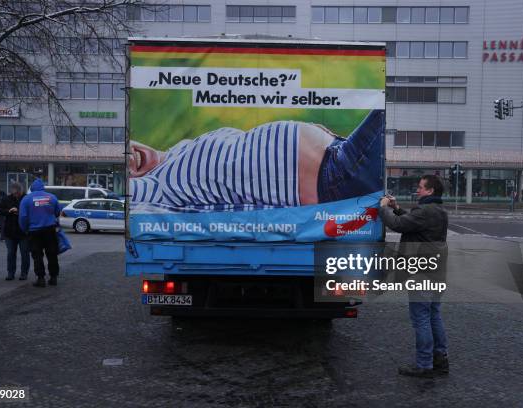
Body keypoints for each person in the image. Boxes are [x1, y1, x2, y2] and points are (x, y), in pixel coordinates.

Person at [129, 110, 384, 212]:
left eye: (125, 150)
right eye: (123, 168)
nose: (129, 158)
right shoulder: (158, 186)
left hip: (336, 152)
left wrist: (317, 133)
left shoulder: (177, 151)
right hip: (335, 177)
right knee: (386, 109)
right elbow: (130, 198)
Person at [379, 175, 449, 378]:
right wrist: (397, 207)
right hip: (437, 272)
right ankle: (440, 359)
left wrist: (384, 208)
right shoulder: (439, 210)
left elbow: (398, 225)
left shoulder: (424, 211)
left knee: (421, 318)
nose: (417, 190)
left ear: (430, 191)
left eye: (420, 187)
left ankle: (424, 365)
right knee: (434, 315)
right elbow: (411, 223)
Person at [18, 179, 60, 287]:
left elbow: (23, 217)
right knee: (52, 254)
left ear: (32, 188)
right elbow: (57, 212)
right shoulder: (52, 197)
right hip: (50, 230)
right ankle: (53, 277)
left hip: (34, 232)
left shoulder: (26, 199)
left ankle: (40, 278)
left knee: (37, 255)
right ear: (43, 187)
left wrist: (25, 229)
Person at [0, 183, 30, 281]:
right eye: (14, 193)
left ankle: (24, 273)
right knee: (11, 253)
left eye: (17, 193)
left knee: (24, 253)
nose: (16, 195)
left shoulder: (26, 199)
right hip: (9, 232)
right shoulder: (6, 199)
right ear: (11, 191)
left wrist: (19, 211)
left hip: (23, 232)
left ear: (21, 191)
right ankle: (10, 273)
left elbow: (30, 211)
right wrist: (9, 211)